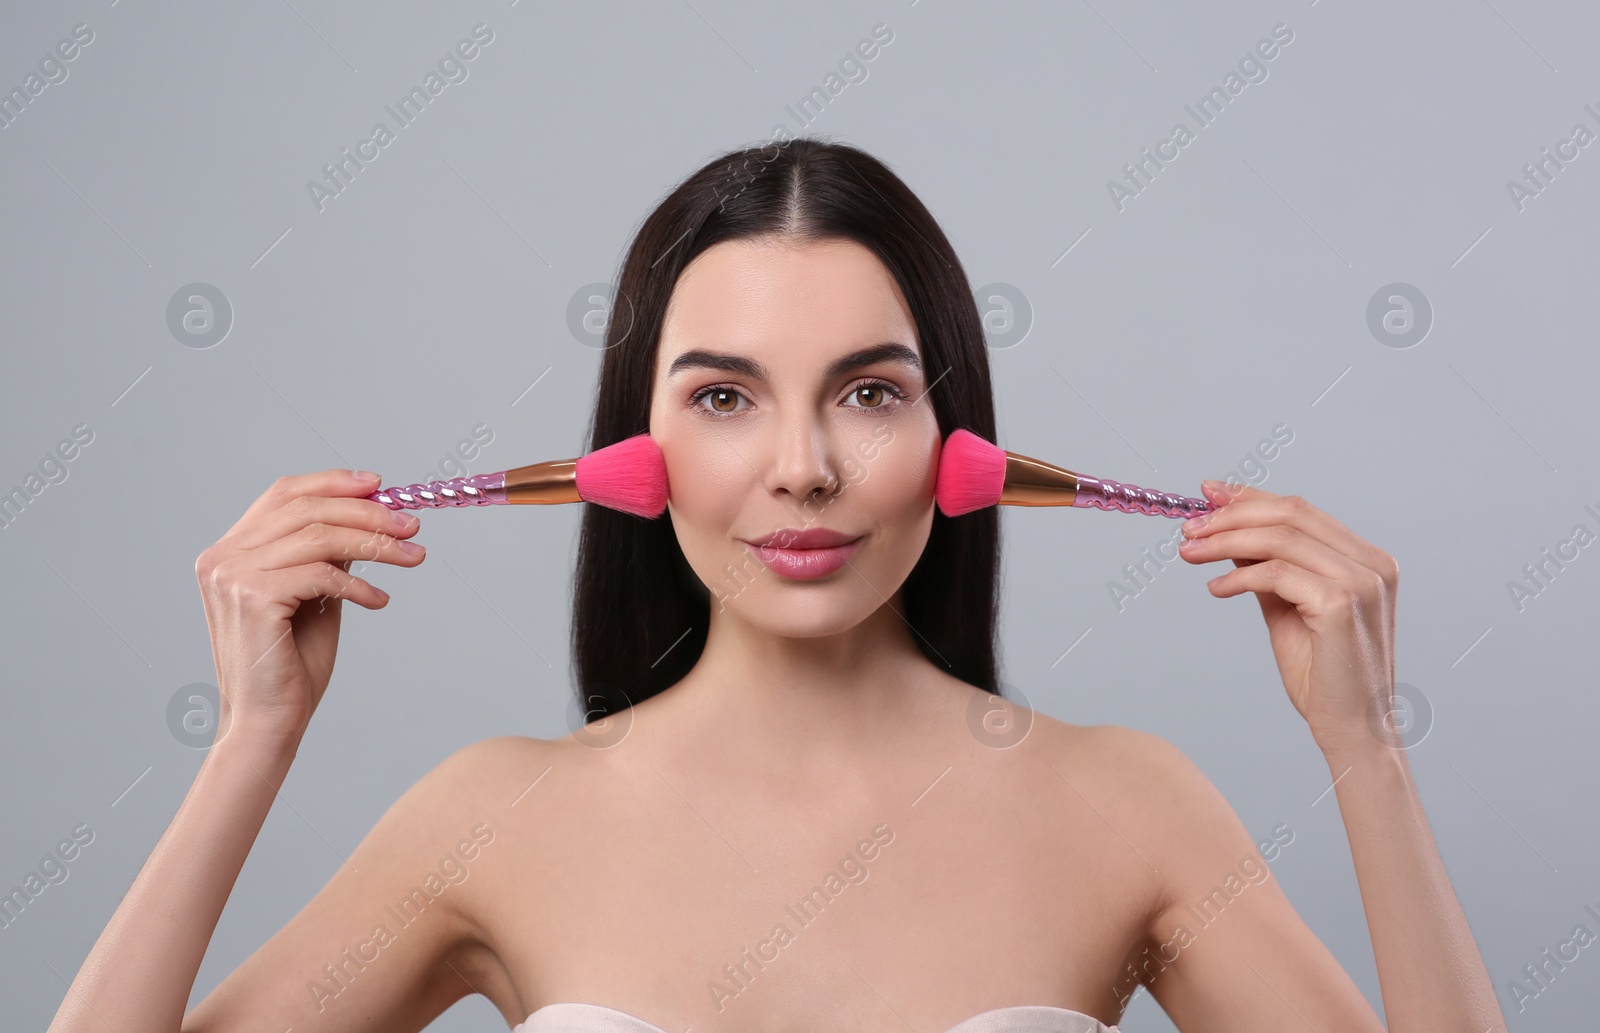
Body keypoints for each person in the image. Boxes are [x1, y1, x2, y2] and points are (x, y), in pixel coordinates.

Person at [49, 138, 1505, 1033]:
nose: (802, 468)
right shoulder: (491, 818)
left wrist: (1367, 752)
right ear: (637, 442)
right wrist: (251, 741)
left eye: (868, 394)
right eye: (726, 397)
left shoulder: (1127, 809)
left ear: (955, 435)